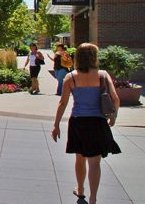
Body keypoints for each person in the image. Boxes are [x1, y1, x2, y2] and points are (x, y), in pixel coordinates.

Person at [52, 43, 121, 204]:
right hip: (98, 122)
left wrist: (56, 125)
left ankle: (80, 189)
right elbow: (116, 99)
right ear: (94, 57)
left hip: (78, 122)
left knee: (80, 158)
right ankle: (93, 198)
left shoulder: (71, 77)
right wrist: (114, 117)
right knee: (95, 162)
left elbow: (63, 103)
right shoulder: (103, 75)